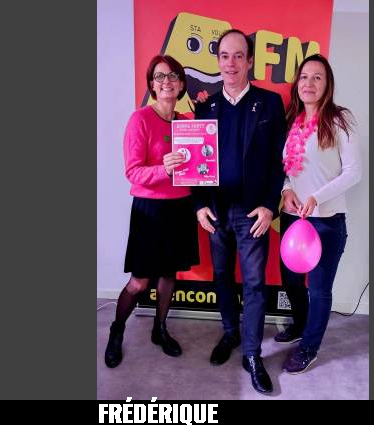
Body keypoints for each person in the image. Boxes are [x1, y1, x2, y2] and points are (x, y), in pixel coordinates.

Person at [193, 29, 286, 394]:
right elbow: (196, 164)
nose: (230, 63)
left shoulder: (270, 103)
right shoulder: (206, 107)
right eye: (224, 56)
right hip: (216, 213)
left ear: (250, 61)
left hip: (252, 214)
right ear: (218, 62)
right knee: (221, 275)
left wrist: (270, 206)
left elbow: (279, 163)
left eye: (238, 56)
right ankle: (230, 332)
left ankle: (252, 354)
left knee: (254, 283)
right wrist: (199, 204)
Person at [104, 55, 199, 368]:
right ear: (152, 85)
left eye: (172, 76)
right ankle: (117, 330)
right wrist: (163, 169)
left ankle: (160, 329)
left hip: (181, 207)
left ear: (181, 84)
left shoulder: (188, 122)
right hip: (150, 210)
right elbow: (132, 172)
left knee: (169, 274)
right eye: (159, 77)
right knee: (139, 282)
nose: (166, 81)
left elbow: (202, 164)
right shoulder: (140, 119)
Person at [275, 54, 362, 374]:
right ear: (296, 83)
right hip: (293, 219)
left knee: (320, 289)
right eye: (304, 77)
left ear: (327, 85)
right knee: (291, 280)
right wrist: (286, 190)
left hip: (326, 221)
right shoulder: (292, 120)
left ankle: (309, 348)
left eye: (317, 77)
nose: (309, 83)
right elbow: (286, 169)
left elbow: (354, 172)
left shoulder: (339, 120)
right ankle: (300, 325)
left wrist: (316, 197)